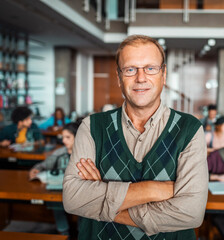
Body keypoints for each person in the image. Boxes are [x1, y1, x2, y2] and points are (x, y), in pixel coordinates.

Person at [63, 35, 208, 239]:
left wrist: (101, 203)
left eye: (150, 68)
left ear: (163, 75)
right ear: (119, 77)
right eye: (130, 69)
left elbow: (190, 213)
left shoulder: (189, 128)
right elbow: (73, 200)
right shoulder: (92, 126)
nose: (141, 78)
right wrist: (152, 190)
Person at [29, 122, 79, 236]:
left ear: (78, 137)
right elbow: (43, 165)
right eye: (63, 137)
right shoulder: (59, 153)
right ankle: (63, 232)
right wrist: (35, 169)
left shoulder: (87, 154)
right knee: (54, 200)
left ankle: (82, 232)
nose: (63, 141)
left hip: (80, 191)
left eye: (68, 137)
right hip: (61, 190)